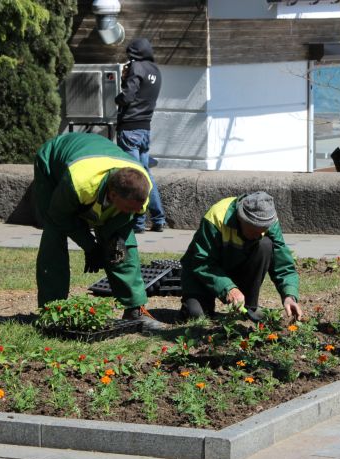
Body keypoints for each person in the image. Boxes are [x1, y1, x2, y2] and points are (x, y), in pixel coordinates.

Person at [33, 132, 163, 331]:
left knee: (120, 244)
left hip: (93, 163)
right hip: (53, 165)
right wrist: (90, 246)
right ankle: (52, 312)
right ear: (112, 194)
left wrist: (109, 244)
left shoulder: (140, 190)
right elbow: (61, 217)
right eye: (130, 208)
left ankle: (134, 308)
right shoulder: (79, 183)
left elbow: (120, 226)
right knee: (54, 235)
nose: (138, 214)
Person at [179, 191, 303, 322]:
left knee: (265, 245)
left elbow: (282, 263)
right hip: (203, 273)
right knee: (195, 314)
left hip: (236, 268)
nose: (258, 234)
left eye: (262, 230)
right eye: (254, 230)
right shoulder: (217, 216)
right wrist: (228, 288)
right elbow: (202, 262)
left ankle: (248, 307)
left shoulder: (269, 222)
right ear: (241, 218)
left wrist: (289, 296)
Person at [116, 38, 166, 234]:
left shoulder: (136, 67)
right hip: (145, 129)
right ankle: (158, 218)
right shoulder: (155, 70)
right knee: (146, 174)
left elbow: (128, 96)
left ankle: (138, 222)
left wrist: (117, 96)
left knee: (134, 178)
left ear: (134, 54)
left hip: (130, 129)